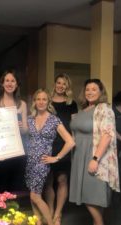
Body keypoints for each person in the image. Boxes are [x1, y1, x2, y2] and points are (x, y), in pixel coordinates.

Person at [69, 79, 120, 225]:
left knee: (91, 196)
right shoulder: (82, 110)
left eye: (94, 89)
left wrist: (95, 158)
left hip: (93, 156)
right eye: (87, 89)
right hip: (79, 156)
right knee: (93, 198)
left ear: (101, 92)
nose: (90, 92)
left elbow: (107, 135)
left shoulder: (104, 109)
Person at [25, 89, 75, 225]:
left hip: (43, 161)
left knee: (34, 196)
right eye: (38, 99)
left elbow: (70, 141)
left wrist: (56, 157)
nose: (41, 102)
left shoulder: (54, 120)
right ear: (34, 102)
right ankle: (38, 222)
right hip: (30, 161)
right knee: (33, 194)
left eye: (44, 99)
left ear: (48, 102)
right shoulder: (29, 119)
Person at [44, 73, 78, 225]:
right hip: (48, 143)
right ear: (55, 83)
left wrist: (74, 142)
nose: (60, 86)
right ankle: (50, 210)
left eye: (64, 84)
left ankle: (58, 214)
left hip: (64, 143)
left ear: (67, 87)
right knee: (49, 180)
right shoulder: (47, 100)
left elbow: (74, 126)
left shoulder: (72, 104)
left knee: (62, 179)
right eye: (58, 82)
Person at [0, 69, 28, 193]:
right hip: (0, 155)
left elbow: (26, 131)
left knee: (15, 189)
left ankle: (13, 212)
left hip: (18, 153)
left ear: (17, 84)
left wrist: (22, 128)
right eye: (7, 81)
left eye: (13, 81)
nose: (10, 84)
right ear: (2, 84)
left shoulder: (22, 104)